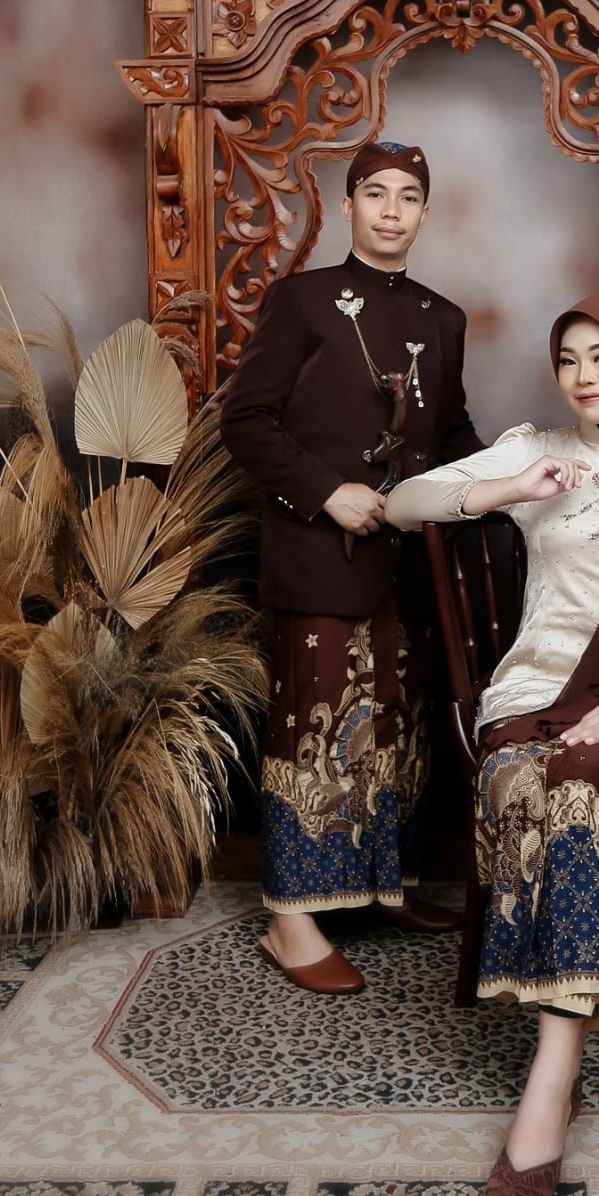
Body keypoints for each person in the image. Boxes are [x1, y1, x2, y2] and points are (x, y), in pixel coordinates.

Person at [385, 290, 599, 1196]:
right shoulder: (533, 448)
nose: (585, 376)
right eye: (570, 358)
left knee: (576, 791)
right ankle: (563, 1054)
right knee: (526, 782)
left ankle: (550, 1071)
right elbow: (402, 503)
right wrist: (510, 491)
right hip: (531, 697)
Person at [220, 139, 482, 994]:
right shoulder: (299, 300)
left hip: (410, 562)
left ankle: (384, 884)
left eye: (409, 195)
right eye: (376, 193)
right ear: (347, 204)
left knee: (397, 730)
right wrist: (325, 491)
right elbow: (246, 420)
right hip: (319, 551)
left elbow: (450, 435)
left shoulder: (445, 318)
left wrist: (517, 476)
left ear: (426, 212)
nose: (392, 209)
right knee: (314, 729)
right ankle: (291, 920)